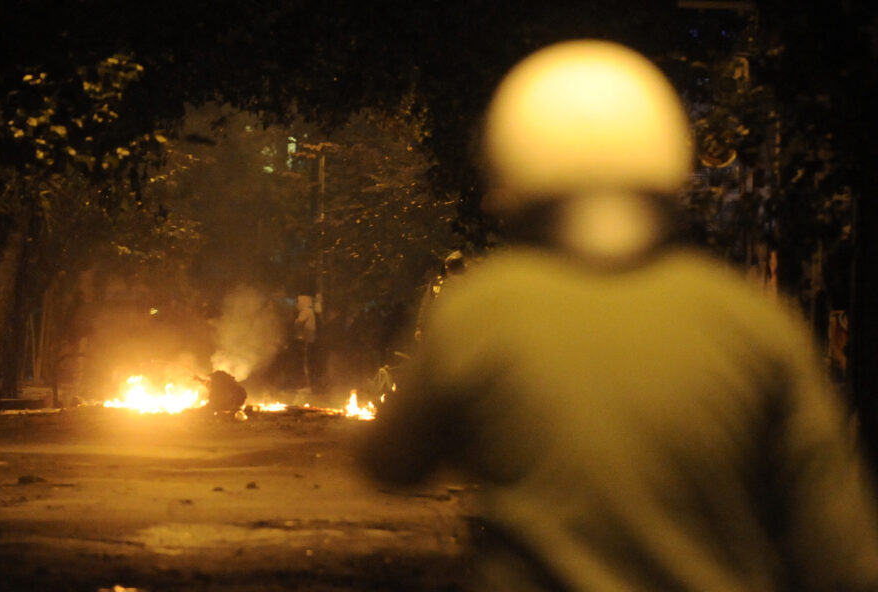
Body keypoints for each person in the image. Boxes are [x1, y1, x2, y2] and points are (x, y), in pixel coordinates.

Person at [358, 39, 878, 591]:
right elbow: (843, 559)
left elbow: (391, 462)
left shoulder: (483, 309)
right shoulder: (752, 323)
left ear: (513, 178)